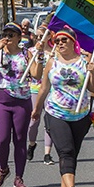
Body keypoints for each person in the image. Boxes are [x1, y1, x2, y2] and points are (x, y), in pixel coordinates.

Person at [31, 27, 94, 187]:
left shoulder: (85, 61)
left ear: (73, 43)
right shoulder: (52, 63)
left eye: (64, 40)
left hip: (80, 115)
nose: (60, 43)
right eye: (57, 41)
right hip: (56, 113)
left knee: (72, 153)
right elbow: (44, 87)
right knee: (65, 151)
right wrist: (37, 110)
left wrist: (92, 71)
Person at [0, 22, 43, 187]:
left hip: (21, 101)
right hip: (2, 100)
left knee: (20, 140)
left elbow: (36, 74)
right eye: (5, 34)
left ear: (18, 38)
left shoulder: (26, 54)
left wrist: (40, 57)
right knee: (2, 141)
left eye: (11, 35)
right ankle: (3, 169)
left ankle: (19, 177)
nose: (7, 38)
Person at [27, 25, 55, 164]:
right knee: (33, 121)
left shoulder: (54, 52)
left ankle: (47, 153)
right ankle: (32, 144)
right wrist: (38, 54)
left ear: (48, 36)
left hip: (51, 89)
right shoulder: (31, 51)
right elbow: (33, 74)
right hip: (36, 89)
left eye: (41, 36)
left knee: (48, 122)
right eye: (36, 36)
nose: (39, 39)